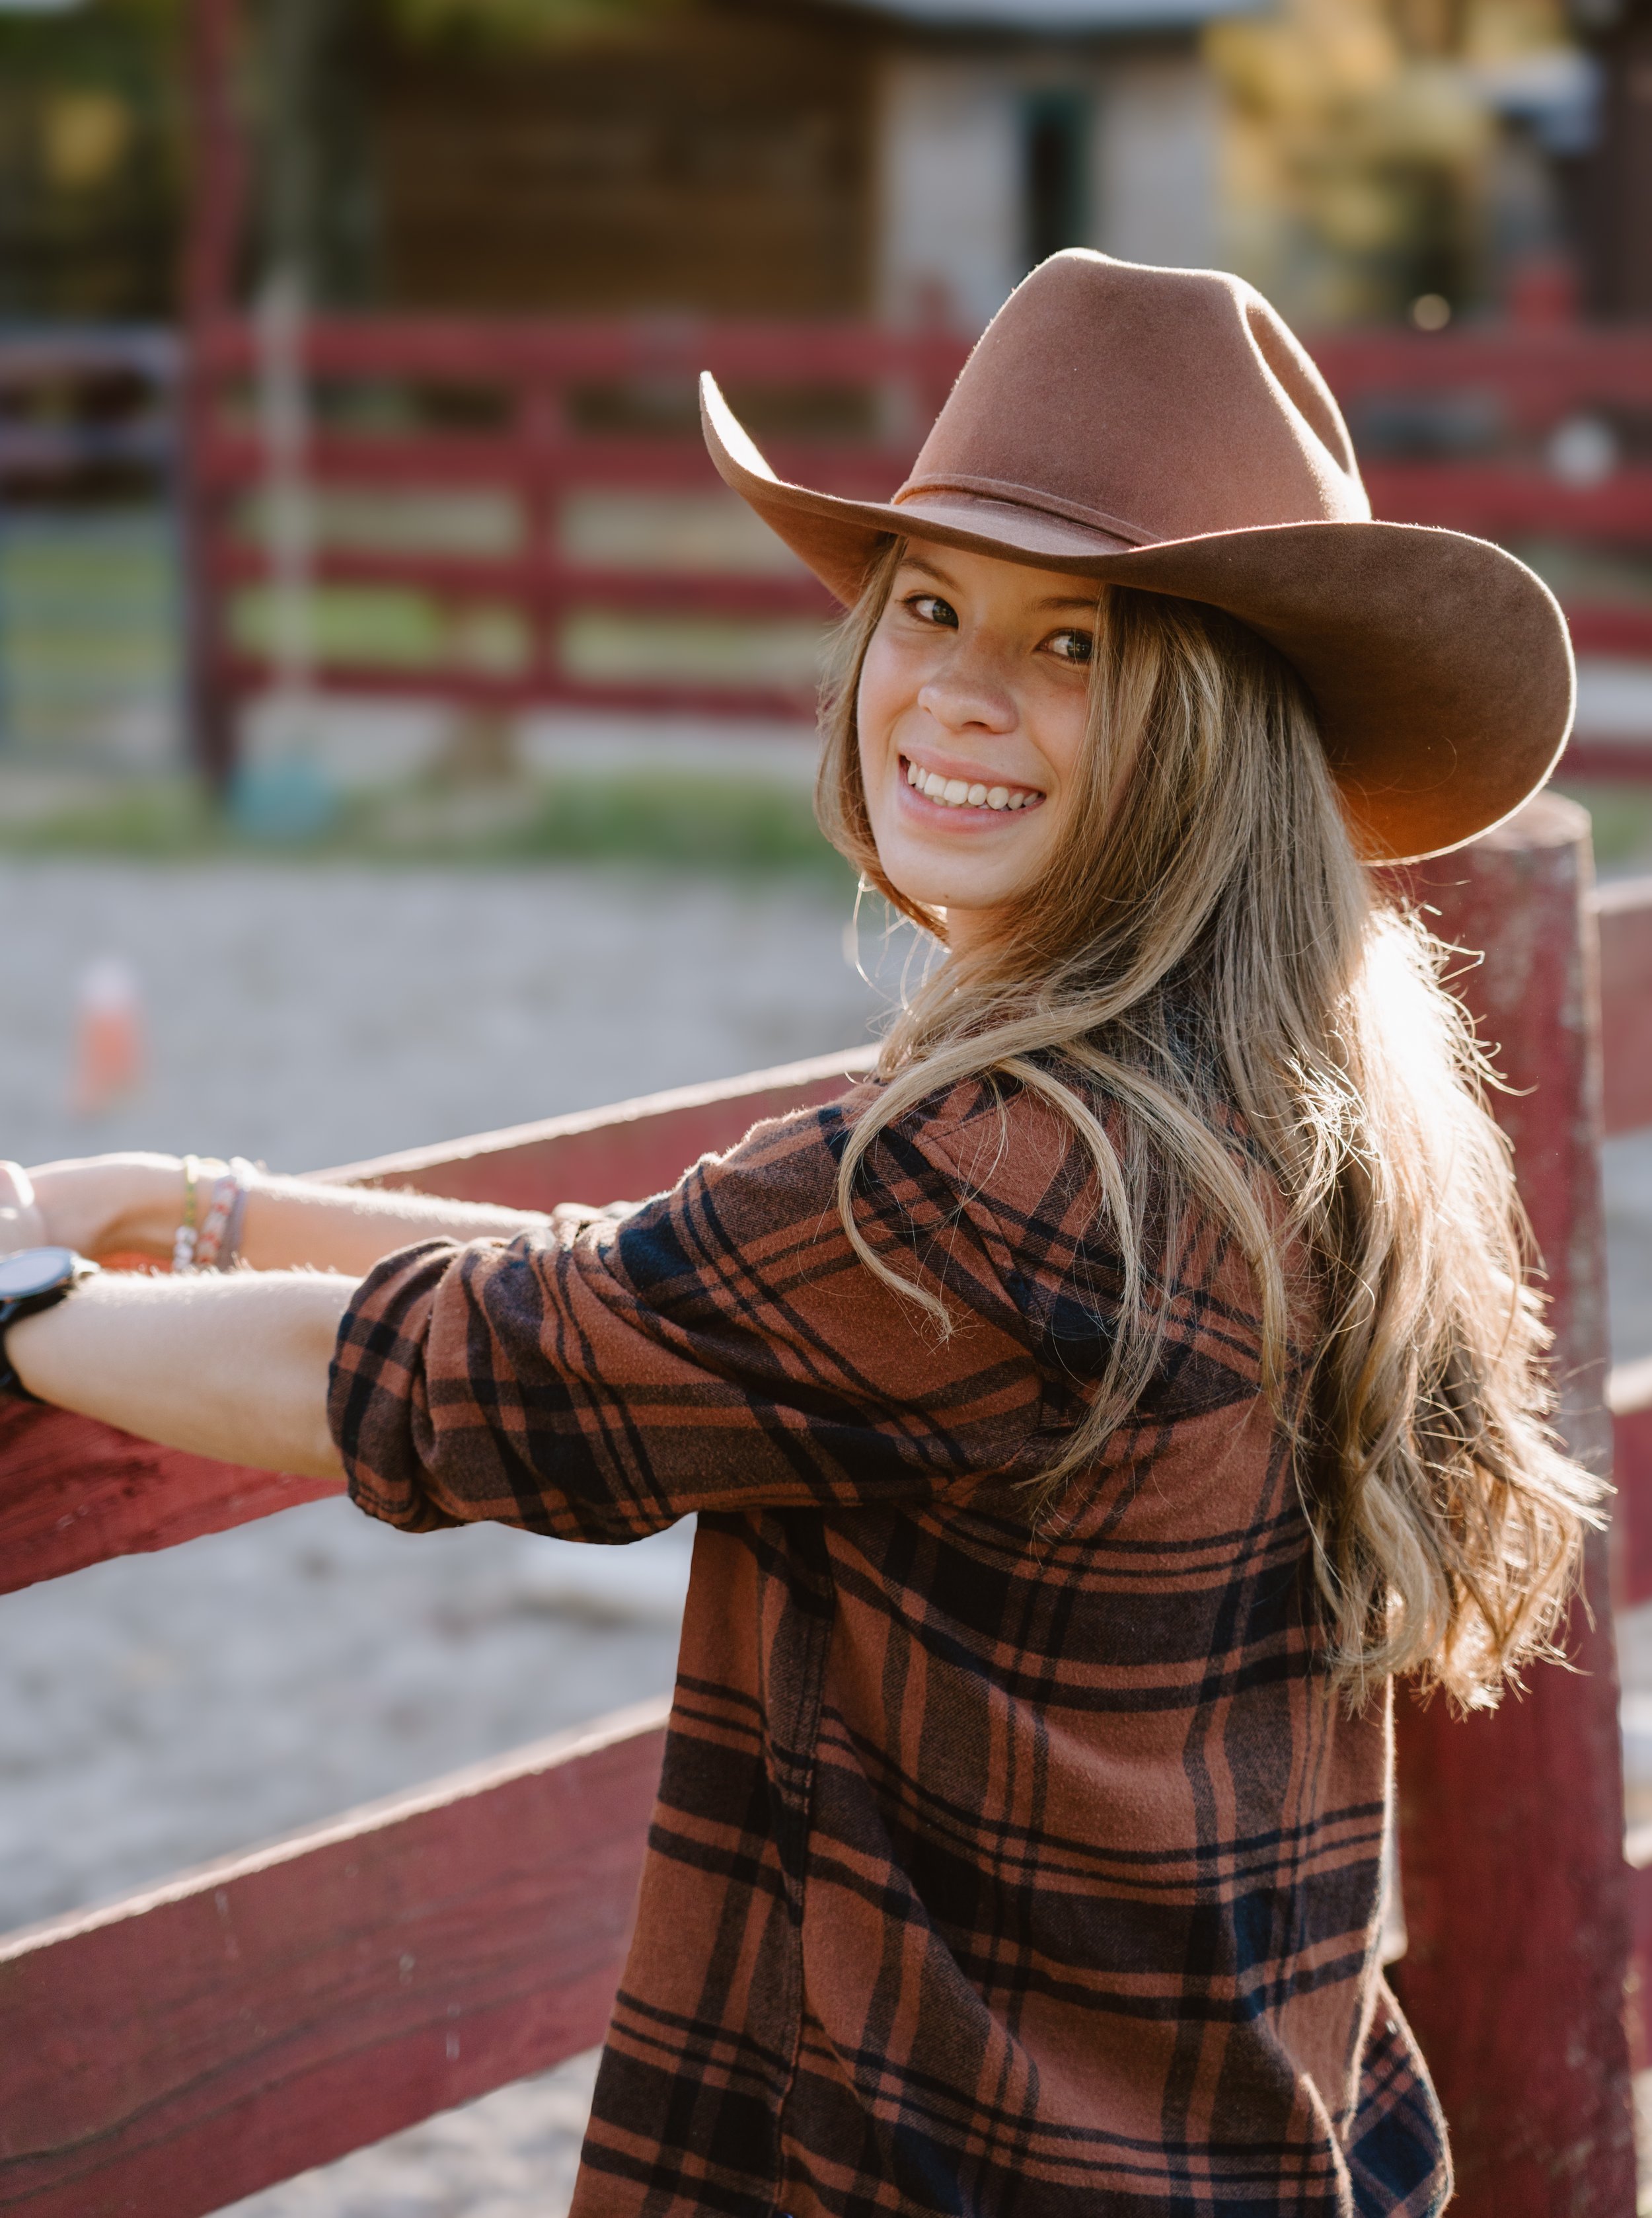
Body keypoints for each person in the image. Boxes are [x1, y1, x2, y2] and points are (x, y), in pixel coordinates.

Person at [0, 253, 1598, 2216]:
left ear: (1213, 732)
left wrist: (28, 1305)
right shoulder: (1270, 1092)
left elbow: (484, 1369)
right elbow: (663, 1290)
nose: (957, 690)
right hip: (1239, 2131)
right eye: (928, 604)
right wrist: (190, 1203)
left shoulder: (1036, 1171)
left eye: (1076, 645)